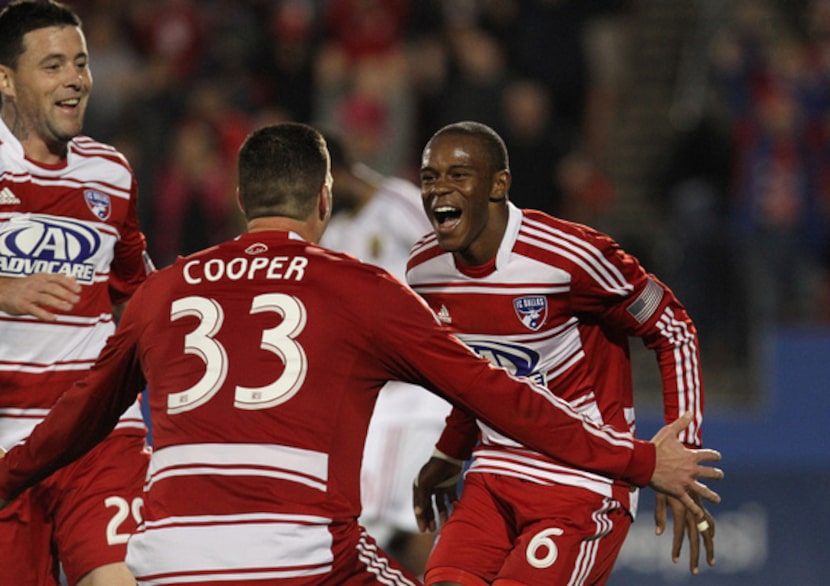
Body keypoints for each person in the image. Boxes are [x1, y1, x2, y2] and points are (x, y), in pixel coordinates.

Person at [0, 122, 723, 585]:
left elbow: (77, 417)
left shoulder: (163, 292)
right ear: (324, 200)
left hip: (165, 561)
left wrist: (5, 480)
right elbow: (496, 393)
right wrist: (638, 459)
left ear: (239, 198)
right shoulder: (361, 289)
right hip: (301, 554)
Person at [408, 121, 717, 586]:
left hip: (583, 479)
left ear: (498, 184)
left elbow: (673, 329)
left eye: (458, 175)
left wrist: (682, 451)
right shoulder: (424, 271)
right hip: (493, 473)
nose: (439, 190)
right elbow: (481, 376)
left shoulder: (569, 256)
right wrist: (451, 454)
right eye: (430, 177)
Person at [0, 1, 153, 585]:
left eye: (82, 63)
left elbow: (132, 291)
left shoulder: (111, 173)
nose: (75, 79)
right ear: (7, 80)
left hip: (97, 433)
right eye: (54, 64)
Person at [319, 130, 452, 576]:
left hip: (419, 396)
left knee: (403, 520)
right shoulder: (334, 232)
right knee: (383, 523)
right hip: (373, 402)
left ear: (334, 175)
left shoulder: (399, 203)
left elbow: (454, 266)